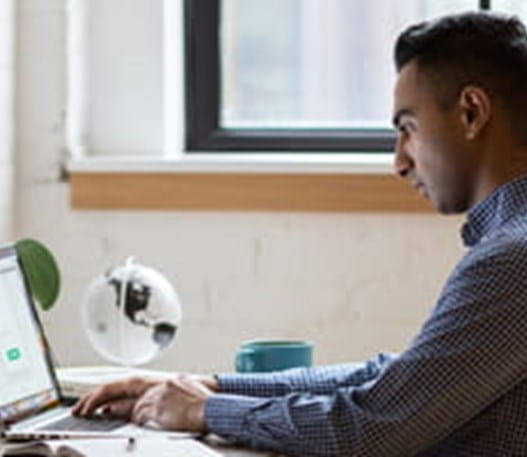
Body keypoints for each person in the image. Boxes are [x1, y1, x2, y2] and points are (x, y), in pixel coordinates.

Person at [73, 11, 527, 456]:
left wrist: (208, 411)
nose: (399, 161)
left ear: (471, 113)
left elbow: (369, 429)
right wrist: (211, 386)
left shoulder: (511, 261)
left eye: (408, 129)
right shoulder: (507, 246)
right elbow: (394, 379)